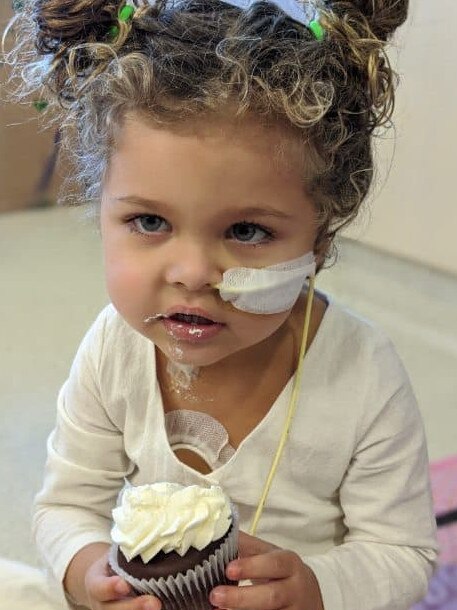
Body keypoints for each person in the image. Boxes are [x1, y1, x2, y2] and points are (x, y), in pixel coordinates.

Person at [3, 0, 438, 609]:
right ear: (99, 211)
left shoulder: (363, 375)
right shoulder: (115, 350)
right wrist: (85, 570)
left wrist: (319, 588)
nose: (192, 273)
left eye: (248, 232)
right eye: (149, 220)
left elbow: (403, 552)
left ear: (319, 241)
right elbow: (65, 504)